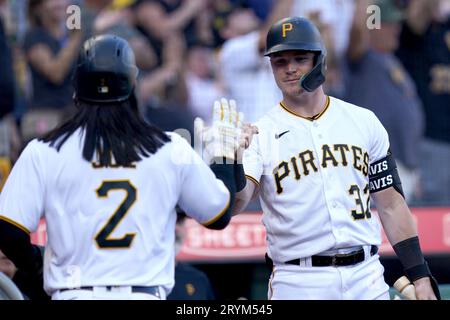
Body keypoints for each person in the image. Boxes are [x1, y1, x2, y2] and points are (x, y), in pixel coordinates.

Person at [0, 35, 249, 300]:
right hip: (142, 294)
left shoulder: (46, 149)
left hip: (74, 294)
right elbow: (219, 215)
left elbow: (7, 229)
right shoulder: (169, 147)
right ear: (132, 86)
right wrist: (224, 157)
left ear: (76, 89)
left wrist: (38, 268)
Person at [231, 16, 440, 300]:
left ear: (320, 60)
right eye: (280, 61)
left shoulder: (363, 121)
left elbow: (391, 204)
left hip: (366, 276)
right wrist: (229, 162)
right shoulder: (260, 132)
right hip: (299, 280)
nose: (290, 68)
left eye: (300, 58)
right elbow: (237, 203)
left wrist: (420, 273)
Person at [167, 210, 215, 300]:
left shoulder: (198, 279)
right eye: (169, 221)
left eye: (179, 221)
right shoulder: (139, 275)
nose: (176, 229)